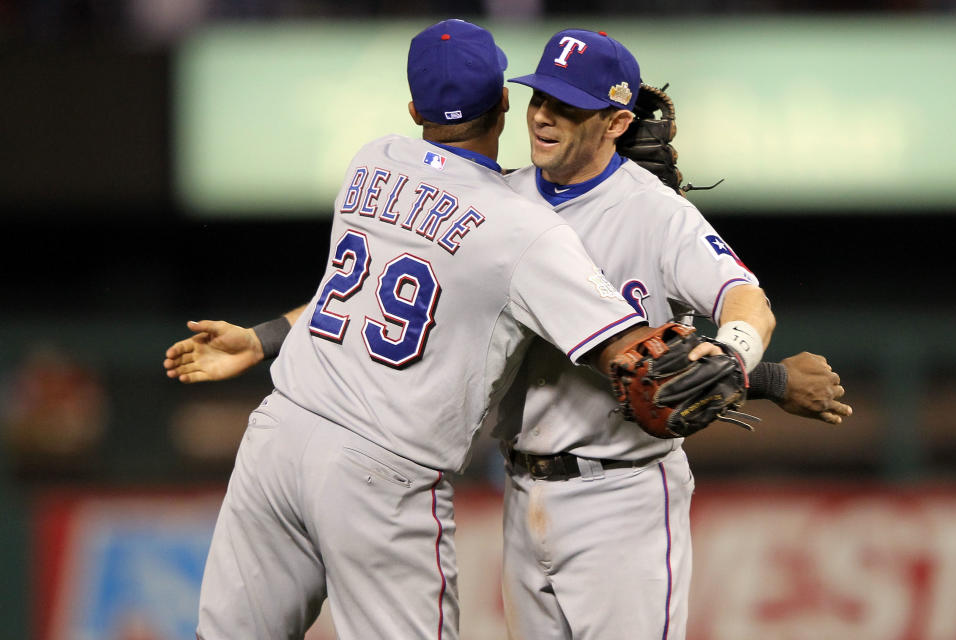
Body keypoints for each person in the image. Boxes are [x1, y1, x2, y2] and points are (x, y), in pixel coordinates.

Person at [176, 18, 688, 640]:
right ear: (505, 101)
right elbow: (632, 355)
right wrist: (767, 375)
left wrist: (262, 337)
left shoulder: (372, 161)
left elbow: (372, 291)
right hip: (380, 468)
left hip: (280, 431)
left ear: (415, 108)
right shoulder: (521, 230)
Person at [491, 28, 851, 640]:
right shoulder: (504, 198)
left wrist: (738, 360)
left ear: (616, 121)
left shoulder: (656, 213)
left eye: (568, 106)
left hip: (621, 497)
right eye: (537, 98)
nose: (544, 117)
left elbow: (747, 301)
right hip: (520, 490)